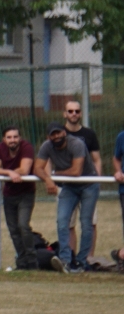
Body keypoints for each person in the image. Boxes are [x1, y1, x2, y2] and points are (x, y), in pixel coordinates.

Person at [33, 122, 98, 273]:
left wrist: (55, 174)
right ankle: (65, 261)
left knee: (86, 223)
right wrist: (48, 180)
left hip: (88, 184)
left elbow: (76, 171)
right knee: (62, 221)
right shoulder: (46, 146)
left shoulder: (77, 144)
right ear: (48, 137)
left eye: (59, 133)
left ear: (64, 133)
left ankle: (82, 261)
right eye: (53, 134)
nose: (57, 136)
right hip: (68, 187)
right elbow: (37, 168)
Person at [0, 125, 38, 270]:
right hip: (9, 193)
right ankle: (22, 262)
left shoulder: (26, 147)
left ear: (20, 138)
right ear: (4, 139)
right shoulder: (0, 148)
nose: (12, 140)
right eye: (9, 137)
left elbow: (24, 169)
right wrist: (10, 173)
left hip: (26, 193)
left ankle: (32, 261)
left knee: (23, 225)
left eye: (15, 137)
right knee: (13, 230)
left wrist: (7, 172)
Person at [63, 101, 101, 259]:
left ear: (80, 113)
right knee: (67, 223)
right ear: (65, 113)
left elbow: (97, 159)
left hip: (87, 186)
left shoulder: (89, 134)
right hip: (66, 186)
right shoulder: (58, 133)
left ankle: (88, 257)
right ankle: (71, 258)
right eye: (70, 111)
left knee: (90, 222)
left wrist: (97, 181)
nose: (74, 114)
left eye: (77, 111)